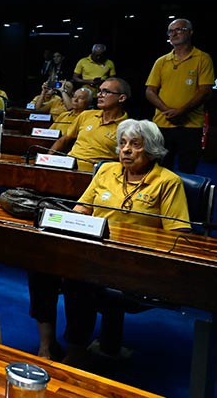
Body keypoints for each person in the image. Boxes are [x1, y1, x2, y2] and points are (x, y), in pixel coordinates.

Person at [31, 120, 190, 365]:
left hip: (135, 261)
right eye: (122, 143)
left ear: (151, 148)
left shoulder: (168, 182)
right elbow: (81, 209)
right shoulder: (106, 171)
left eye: (135, 144)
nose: (125, 150)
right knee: (40, 265)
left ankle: (76, 352)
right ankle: (46, 345)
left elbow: (178, 236)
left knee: (78, 279)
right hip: (93, 250)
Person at [145, 18, 214, 174]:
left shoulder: (203, 59)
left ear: (190, 32)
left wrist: (182, 111)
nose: (174, 33)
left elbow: (205, 90)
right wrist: (167, 110)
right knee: (159, 170)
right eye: (171, 31)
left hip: (190, 126)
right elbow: (150, 91)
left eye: (179, 29)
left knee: (187, 170)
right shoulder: (161, 61)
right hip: (163, 123)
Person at [50, 78, 130, 171]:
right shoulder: (86, 115)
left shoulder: (128, 128)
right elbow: (63, 140)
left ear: (121, 98)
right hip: (68, 167)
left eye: (105, 92)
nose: (99, 95)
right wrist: (46, 159)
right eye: (99, 91)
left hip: (96, 175)